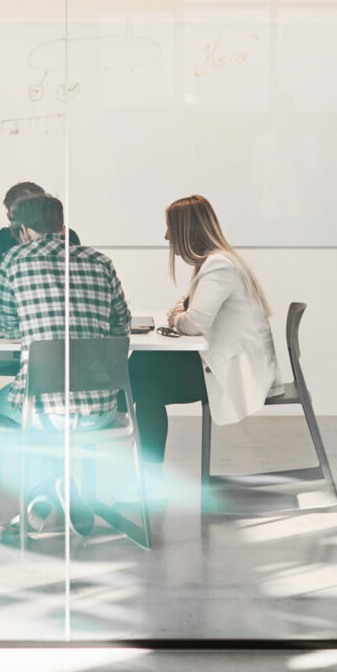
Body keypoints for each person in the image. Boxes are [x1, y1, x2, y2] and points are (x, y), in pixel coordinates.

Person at [0, 193, 131, 540]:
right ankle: (58, 486)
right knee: (46, 407)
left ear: (22, 230)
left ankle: (49, 482)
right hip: (99, 409)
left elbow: (10, 327)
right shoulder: (100, 261)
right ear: (62, 226)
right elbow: (121, 327)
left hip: (44, 410)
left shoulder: (14, 260)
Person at [128, 195, 279, 473]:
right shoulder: (215, 263)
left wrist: (177, 317)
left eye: (170, 229)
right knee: (145, 377)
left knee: (141, 371)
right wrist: (179, 314)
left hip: (236, 371)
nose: (166, 237)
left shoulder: (218, 265)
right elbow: (181, 306)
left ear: (189, 231)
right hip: (226, 362)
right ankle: (146, 473)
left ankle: (95, 418)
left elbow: (193, 322)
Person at [0, 181, 82, 425]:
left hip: (46, 348)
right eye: (13, 217)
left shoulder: (65, 240)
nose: (18, 226)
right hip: (17, 347)